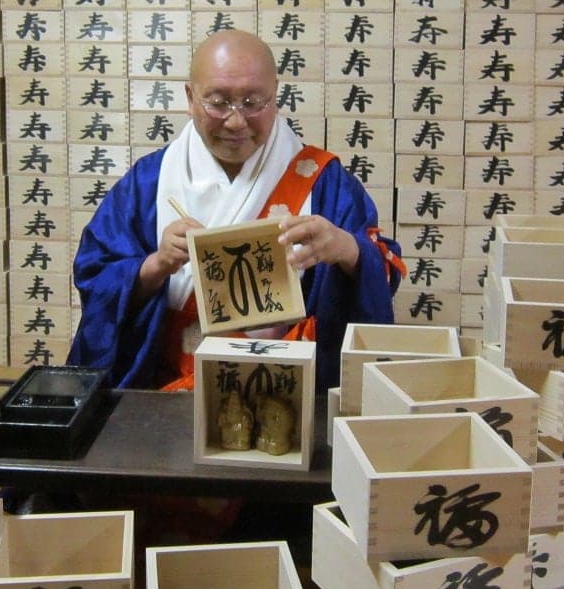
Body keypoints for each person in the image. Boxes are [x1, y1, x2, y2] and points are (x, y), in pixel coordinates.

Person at [67, 28, 403, 392]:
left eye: (253, 102)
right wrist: (156, 265)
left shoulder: (323, 181)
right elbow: (94, 276)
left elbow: (384, 273)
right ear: (190, 98)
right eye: (218, 102)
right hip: (167, 390)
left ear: (275, 97)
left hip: (287, 389)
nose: (236, 121)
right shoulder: (149, 182)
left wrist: (345, 250)